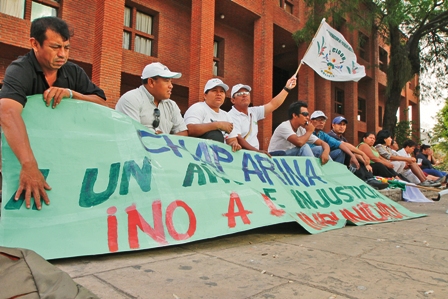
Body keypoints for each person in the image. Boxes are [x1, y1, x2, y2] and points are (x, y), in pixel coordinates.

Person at [0, 17, 106, 210]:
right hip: (24, 156)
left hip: (63, 158)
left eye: (67, 48)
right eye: (55, 47)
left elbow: (102, 104)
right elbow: (7, 113)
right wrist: (29, 165)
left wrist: (72, 94)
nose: (62, 54)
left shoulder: (74, 72)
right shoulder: (20, 70)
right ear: (34, 43)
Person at [227, 76, 297, 155]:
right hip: (242, 155)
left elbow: (273, 104)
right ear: (233, 100)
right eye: (239, 94)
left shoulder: (253, 111)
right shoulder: (230, 115)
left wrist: (287, 88)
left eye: (247, 93)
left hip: (255, 155)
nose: (244, 95)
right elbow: (238, 138)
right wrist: (258, 152)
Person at [115, 62, 187, 136]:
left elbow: (183, 132)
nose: (171, 86)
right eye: (166, 81)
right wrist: (158, 139)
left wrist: (166, 139)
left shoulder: (172, 105)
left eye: (171, 82)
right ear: (151, 82)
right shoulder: (131, 99)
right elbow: (131, 135)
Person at [328, 116, 388, 190]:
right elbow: (345, 146)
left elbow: (353, 153)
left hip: (342, 160)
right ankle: (364, 180)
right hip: (331, 161)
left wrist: (365, 162)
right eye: (339, 124)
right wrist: (363, 154)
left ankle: (370, 179)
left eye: (344, 125)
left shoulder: (343, 138)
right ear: (333, 125)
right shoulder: (330, 135)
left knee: (357, 157)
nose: (342, 126)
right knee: (346, 152)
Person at [183, 78, 241, 151]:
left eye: (222, 91)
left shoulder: (226, 115)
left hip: (221, 156)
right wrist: (218, 125)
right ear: (205, 95)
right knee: (215, 135)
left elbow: (232, 139)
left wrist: (234, 144)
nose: (219, 94)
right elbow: (189, 129)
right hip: (197, 153)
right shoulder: (198, 108)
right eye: (214, 91)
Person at [374, 130, 440, 187]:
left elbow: (396, 155)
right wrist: (406, 159)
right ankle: (424, 180)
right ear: (385, 139)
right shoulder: (379, 146)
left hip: (395, 169)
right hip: (388, 168)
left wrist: (409, 160)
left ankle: (424, 180)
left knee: (412, 162)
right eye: (390, 138)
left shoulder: (387, 148)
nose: (391, 140)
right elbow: (389, 156)